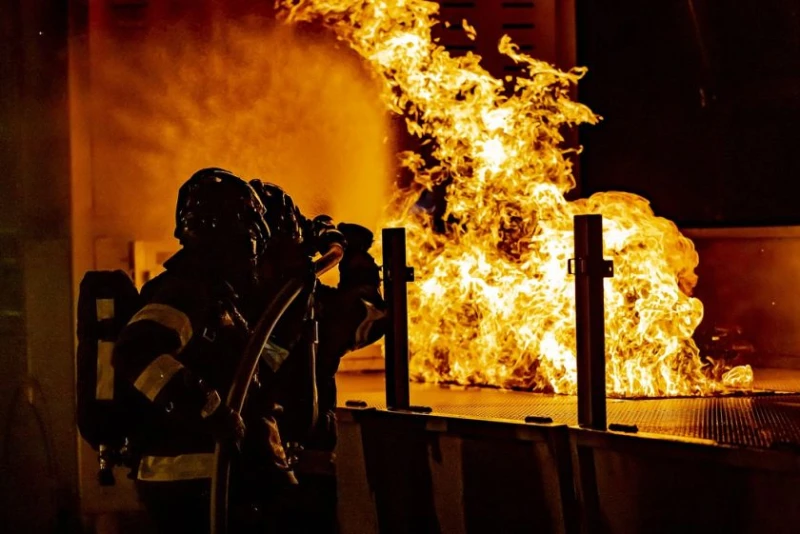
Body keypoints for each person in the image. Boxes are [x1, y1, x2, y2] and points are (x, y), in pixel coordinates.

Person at [112, 168, 296, 534]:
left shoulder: (218, 295)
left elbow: (260, 368)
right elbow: (136, 352)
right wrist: (210, 411)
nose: (256, 234)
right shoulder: (187, 291)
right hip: (193, 481)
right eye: (250, 220)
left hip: (211, 477)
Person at [249, 180, 387, 533]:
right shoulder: (297, 303)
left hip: (259, 464)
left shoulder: (232, 298)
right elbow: (366, 318)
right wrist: (357, 262)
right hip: (295, 463)